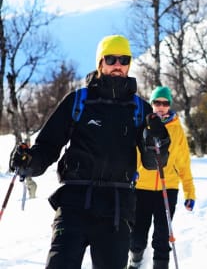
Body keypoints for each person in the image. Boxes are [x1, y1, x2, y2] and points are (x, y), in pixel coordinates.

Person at [9, 34, 170, 269]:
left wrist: (158, 141)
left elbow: (152, 163)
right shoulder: (78, 101)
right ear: (100, 63)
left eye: (123, 60)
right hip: (75, 201)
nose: (118, 65)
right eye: (111, 59)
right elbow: (48, 146)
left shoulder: (139, 109)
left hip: (117, 208)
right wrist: (29, 161)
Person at [128, 86, 196, 269]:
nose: (161, 106)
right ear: (151, 104)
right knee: (137, 235)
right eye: (157, 102)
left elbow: (183, 163)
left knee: (162, 235)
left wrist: (190, 192)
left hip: (168, 188)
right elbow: (134, 154)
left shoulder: (176, 130)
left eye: (165, 103)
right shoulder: (143, 124)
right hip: (142, 187)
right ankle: (135, 259)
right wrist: (131, 173)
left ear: (169, 105)